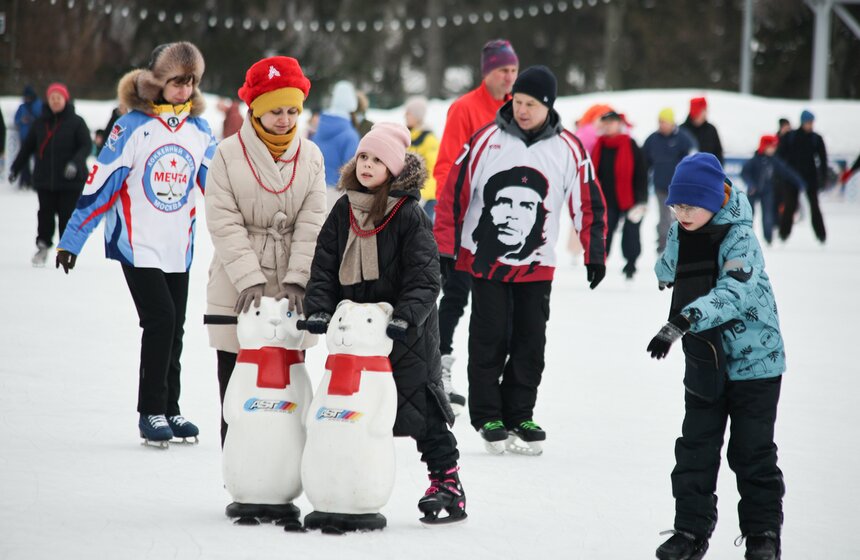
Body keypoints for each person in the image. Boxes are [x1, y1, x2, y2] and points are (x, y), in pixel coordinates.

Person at [434, 66, 607, 453]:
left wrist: (594, 252)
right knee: (489, 336)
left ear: (548, 106)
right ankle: (488, 414)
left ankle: (520, 412)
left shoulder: (569, 148)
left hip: (537, 266)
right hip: (486, 262)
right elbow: (454, 192)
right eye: (518, 101)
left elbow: (589, 201)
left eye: (531, 103)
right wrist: (446, 246)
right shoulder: (487, 140)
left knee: (531, 340)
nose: (522, 109)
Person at [302, 122, 466, 524]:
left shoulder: (409, 213)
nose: (368, 165)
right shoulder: (344, 208)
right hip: (357, 338)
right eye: (363, 157)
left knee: (421, 410)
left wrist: (405, 318)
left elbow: (426, 276)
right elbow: (324, 263)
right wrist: (320, 307)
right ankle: (348, 479)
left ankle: (447, 483)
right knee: (352, 410)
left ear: (394, 168)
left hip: (403, 333)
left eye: (377, 159)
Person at [55, 42, 216, 446]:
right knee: (160, 319)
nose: (185, 89)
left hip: (179, 245)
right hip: (137, 243)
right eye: (177, 81)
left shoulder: (200, 130)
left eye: (191, 81)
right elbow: (101, 184)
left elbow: (218, 186)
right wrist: (72, 239)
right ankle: (151, 411)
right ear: (157, 82)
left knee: (175, 327)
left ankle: (171, 409)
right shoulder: (131, 127)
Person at [648, 153, 785, 560]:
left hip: (754, 363)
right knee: (695, 448)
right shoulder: (682, 229)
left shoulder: (741, 238)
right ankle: (690, 532)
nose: (681, 213)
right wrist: (668, 266)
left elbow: (733, 293)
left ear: (713, 199)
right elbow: (667, 268)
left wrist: (681, 319)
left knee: (751, 451)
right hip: (705, 358)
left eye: (689, 205)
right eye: (676, 205)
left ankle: (762, 535)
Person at [205, 55, 327, 446]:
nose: (286, 119)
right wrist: (249, 279)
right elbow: (223, 220)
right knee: (237, 383)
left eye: (293, 110)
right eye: (276, 110)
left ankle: (284, 474)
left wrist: (298, 278)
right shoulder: (226, 153)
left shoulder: (311, 156)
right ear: (255, 110)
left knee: (289, 384)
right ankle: (239, 475)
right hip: (237, 282)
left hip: (292, 277)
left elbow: (313, 222)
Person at [433, 38, 519, 411]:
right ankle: (439, 364)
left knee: (504, 304)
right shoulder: (465, 108)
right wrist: (452, 219)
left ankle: (498, 376)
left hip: (507, 224)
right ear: (488, 72)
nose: (510, 77)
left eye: (514, 70)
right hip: (466, 222)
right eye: (503, 70)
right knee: (455, 295)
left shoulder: (520, 109)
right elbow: (447, 165)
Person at [9, 83, 91, 266]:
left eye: (58, 98)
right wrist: (15, 168)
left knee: (66, 216)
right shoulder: (40, 123)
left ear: (65, 99)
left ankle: (66, 250)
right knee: (44, 214)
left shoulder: (77, 122)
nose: (55, 101)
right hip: (45, 180)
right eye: (52, 98)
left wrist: (75, 163)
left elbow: (86, 146)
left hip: (70, 181)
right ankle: (43, 246)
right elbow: (27, 148)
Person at [592, 110, 647, 279]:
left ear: (619, 124)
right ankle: (599, 264)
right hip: (606, 199)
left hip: (630, 198)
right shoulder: (599, 145)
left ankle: (631, 265)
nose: (608, 126)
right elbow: (593, 173)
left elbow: (641, 173)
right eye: (605, 123)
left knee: (631, 234)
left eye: (612, 122)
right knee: (604, 233)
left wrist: (641, 200)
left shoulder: (630, 144)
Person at [642, 108, 696, 254]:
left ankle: (681, 244)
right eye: (659, 122)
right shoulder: (652, 139)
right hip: (660, 186)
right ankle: (663, 246)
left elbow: (692, 158)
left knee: (680, 217)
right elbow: (644, 162)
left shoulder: (683, 138)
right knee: (664, 218)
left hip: (679, 188)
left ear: (672, 123)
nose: (661, 125)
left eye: (664, 122)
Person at [741, 134, 806, 245]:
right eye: (772, 146)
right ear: (765, 147)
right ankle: (747, 238)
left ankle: (768, 239)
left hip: (767, 191)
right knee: (748, 216)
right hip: (753, 191)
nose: (774, 149)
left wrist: (799, 182)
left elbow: (787, 172)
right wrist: (751, 185)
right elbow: (744, 173)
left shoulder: (773, 161)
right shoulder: (754, 160)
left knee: (768, 215)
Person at [777, 109, 827, 243]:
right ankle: (784, 234)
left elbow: (823, 159)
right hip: (792, 178)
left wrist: (823, 177)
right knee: (790, 206)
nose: (810, 125)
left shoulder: (816, 138)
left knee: (815, 206)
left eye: (812, 122)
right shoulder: (791, 136)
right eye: (808, 122)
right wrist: (785, 174)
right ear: (803, 122)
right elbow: (779, 155)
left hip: (810, 178)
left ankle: (821, 235)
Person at [314, 80, 360, 202]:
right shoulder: (350, 135)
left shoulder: (320, 128)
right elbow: (352, 171)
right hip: (337, 194)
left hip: (314, 189)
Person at [404, 96, 440, 221]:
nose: (405, 115)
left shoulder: (429, 139)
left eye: (409, 113)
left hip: (426, 196)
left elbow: (433, 168)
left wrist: (423, 193)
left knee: (422, 231)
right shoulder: (408, 136)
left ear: (417, 116)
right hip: (410, 193)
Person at [13, 85, 43, 189]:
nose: (27, 98)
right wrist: (21, 120)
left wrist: (32, 119)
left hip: (37, 138)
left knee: (38, 161)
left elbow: (43, 119)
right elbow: (16, 120)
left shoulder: (39, 105)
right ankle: (25, 180)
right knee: (24, 161)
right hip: (24, 138)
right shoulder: (22, 107)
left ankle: (36, 181)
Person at [680, 96, 723, 164]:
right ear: (695, 112)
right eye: (703, 110)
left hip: (708, 172)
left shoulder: (711, 130)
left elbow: (718, 153)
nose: (706, 113)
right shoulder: (682, 130)